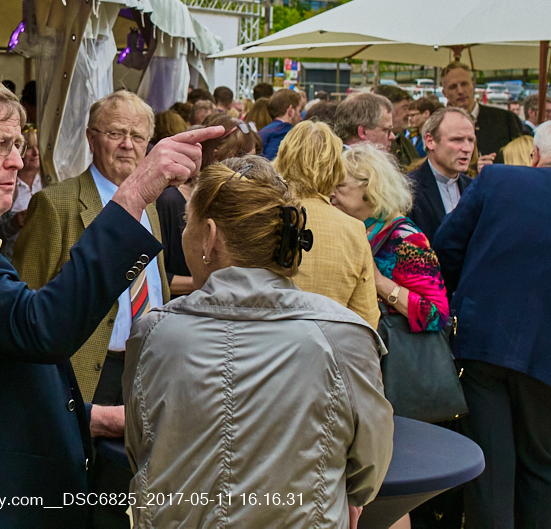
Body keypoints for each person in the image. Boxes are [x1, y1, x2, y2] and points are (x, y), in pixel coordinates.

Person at [0, 74, 221, 528]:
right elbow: (39, 327)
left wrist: (96, 418)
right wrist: (133, 193)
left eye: (18, 144)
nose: (16, 161)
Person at [124, 155, 392, 529]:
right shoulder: (343, 336)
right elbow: (368, 469)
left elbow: (141, 450)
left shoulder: (154, 333)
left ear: (210, 236)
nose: (183, 231)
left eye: (188, 222)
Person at [434, 120, 551, 529]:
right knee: (541, 465)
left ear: (535, 155)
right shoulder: (500, 179)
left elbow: (445, 246)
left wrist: (471, 294)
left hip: (482, 338)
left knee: (489, 464)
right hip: (549, 353)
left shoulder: (499, 178)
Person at [15, 90, 169, 405]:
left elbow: (156, 284)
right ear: (91, 138)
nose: (128, 144)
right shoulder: (55, 204)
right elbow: (26, 300)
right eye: (115, 133)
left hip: (149, 366)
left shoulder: (151, 206)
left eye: (138, 136)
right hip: (86, 375)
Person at [331, 144, 449, 332]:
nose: (331, 193)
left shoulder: (406, 239)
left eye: (339, 185)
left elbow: (436, 315)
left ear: (369, 187)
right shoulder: (353, 227)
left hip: (396, 355)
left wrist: (379, 282)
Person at [274, 121, 379, 327]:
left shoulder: (261, 216)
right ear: (335, 167)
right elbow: (367, 319)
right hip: (330, 350)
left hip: (267, 348)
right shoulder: (354, 230)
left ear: (283, 158)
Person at [157, 114, 261, 299]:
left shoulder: (238, 205)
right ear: (216, 157)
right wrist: (212, 283)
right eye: (244, 162)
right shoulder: (170, 202)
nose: (249, 171)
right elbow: (158, 277)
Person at [407, 107, 474, 246]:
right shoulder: (407, 189)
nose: (467, 148)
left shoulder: (474, 188)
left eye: (471, 140)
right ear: (430, 141)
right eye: (457, 140)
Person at [440, 61, 524, 159]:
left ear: (473, 86)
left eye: (464, 84)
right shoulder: (440, 126)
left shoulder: (505, 119)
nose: (460, 91)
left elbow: (521, 157)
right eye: (453, 87)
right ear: (444, 93)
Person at [0, 124, 41, 261]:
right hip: (13, 263)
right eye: (29, 148)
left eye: (38, 147)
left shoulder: (48, 182)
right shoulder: (7, 186)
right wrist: (14, 223)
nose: (36, 152)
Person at [374, 84, 419, 168]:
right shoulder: (373, 144)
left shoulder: (405, 143)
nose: (408, 113)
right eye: (404, 108)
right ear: (387, 109)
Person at [258, 88, 302, 159]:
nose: (301, 117)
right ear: (290, 110)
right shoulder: (284, 133)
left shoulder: (263, 131)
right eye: (299, 110)